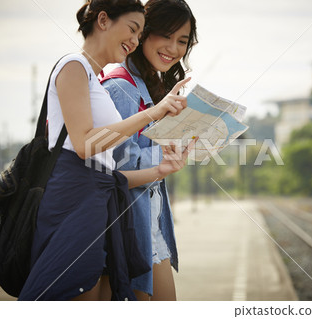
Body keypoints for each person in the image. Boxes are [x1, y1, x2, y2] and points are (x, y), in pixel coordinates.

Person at [18, 0, 195, 301]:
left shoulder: (96, 81)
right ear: (103, 20)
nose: (134, 41)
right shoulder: (76, 67)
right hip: (75, 204)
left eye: (139, 34)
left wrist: (161, 169)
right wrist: (154, 115)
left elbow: (107, 174)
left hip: (98, 204)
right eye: (133, 30)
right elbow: (86, 146)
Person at [101, 0, 198, 301]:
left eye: (182, 41)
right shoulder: (120, 87)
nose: (173, 48)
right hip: (127, 226)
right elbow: (117, 166)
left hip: (150, 222)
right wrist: (166, 155)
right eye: (165, 36)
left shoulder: (150, 87)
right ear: (144, 33)